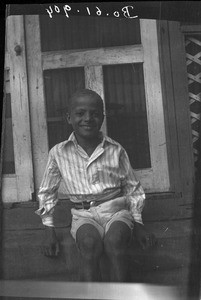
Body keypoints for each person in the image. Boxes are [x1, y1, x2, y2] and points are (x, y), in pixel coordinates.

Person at [36, 88, 156, 282]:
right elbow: (47, 192)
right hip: (83, 214)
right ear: (69, 118)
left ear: (102, 118)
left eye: (94, 114)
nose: (87, 118)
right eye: (80, 113)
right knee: (88, 243)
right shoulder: (58, 153)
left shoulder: (115, 150)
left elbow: (133, 189)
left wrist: (139, 225)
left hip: (115, 211)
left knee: (115, 241)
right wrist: (49, 231)